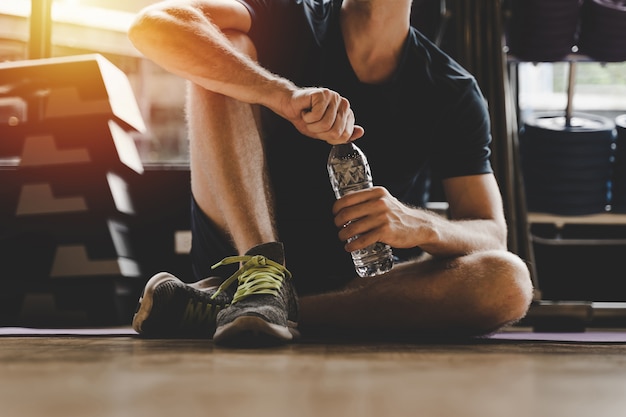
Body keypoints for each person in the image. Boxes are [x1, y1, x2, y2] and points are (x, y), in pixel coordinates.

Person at [128, 0, 534, 346]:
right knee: (222, 46)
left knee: (508, 280)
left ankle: (253, 311)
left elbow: (490, 232)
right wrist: (282, 96)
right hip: (241, 261)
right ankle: (261, 280)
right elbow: (153, 24)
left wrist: (420, 226)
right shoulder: (290, 16)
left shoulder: (452, 90)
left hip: (356, 289)